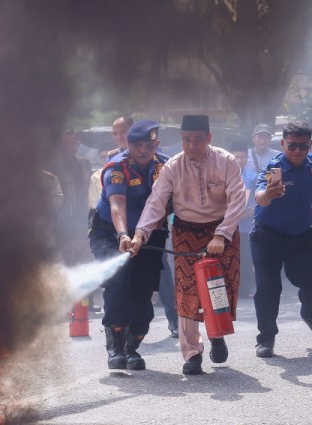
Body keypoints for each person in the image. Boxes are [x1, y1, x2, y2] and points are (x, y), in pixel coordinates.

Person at [130, 115, 246, 375]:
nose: (191, 145)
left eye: (197, 140)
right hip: (185, 231)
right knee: (187, 294)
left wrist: (222, 234)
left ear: (209, 138)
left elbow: (238, 200)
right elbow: (156, 202)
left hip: (222, 231)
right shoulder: (172, 166)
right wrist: (140, 234)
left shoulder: (226, 162)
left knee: (220, 289)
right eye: (186, 140)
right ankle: (192, 353)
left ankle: (217, 334)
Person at [251, 121, 312, 357]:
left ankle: (311, 315)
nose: (298, 151)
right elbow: (259, 197)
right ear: (283, 144)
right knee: (268, 289)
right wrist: (268, 194)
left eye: (303, 146)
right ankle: (266, 338)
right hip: (267, 235)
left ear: (310, 144)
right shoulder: (274, 166)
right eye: (292, 146)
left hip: (301, 235)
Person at [89, 120, 170, 370]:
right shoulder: (116, 168)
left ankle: (131, 347)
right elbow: (117, 206)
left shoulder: (166, 166)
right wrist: (124, 234)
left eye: (149, 145)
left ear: (156, 144)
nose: (143, 150)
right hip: (112, 235)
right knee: (118, 285)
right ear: (128, 144)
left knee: (143, 295)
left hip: (149, 237)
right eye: (137, 145)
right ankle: (115, 350)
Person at [49, 129, 92, 266]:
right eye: (65, 144)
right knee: (66, 259)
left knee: (84, 257)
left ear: (78, 144)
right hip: (63, 221)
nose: (69, 147)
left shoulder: (85, 164)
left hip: (83, 218)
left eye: (72, 143)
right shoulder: (53, 167)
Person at [230, 141, 257, 298]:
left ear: (247, 158)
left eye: (242, 157)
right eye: (236, 157)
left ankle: (246, 288)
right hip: (229, 225)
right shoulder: (224, 174)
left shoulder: (253, 177)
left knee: (246, 258)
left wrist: (250, 211)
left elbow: (256, 199)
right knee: (230, 258)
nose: (239, 160)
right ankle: (231, 287)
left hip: (246, 225)